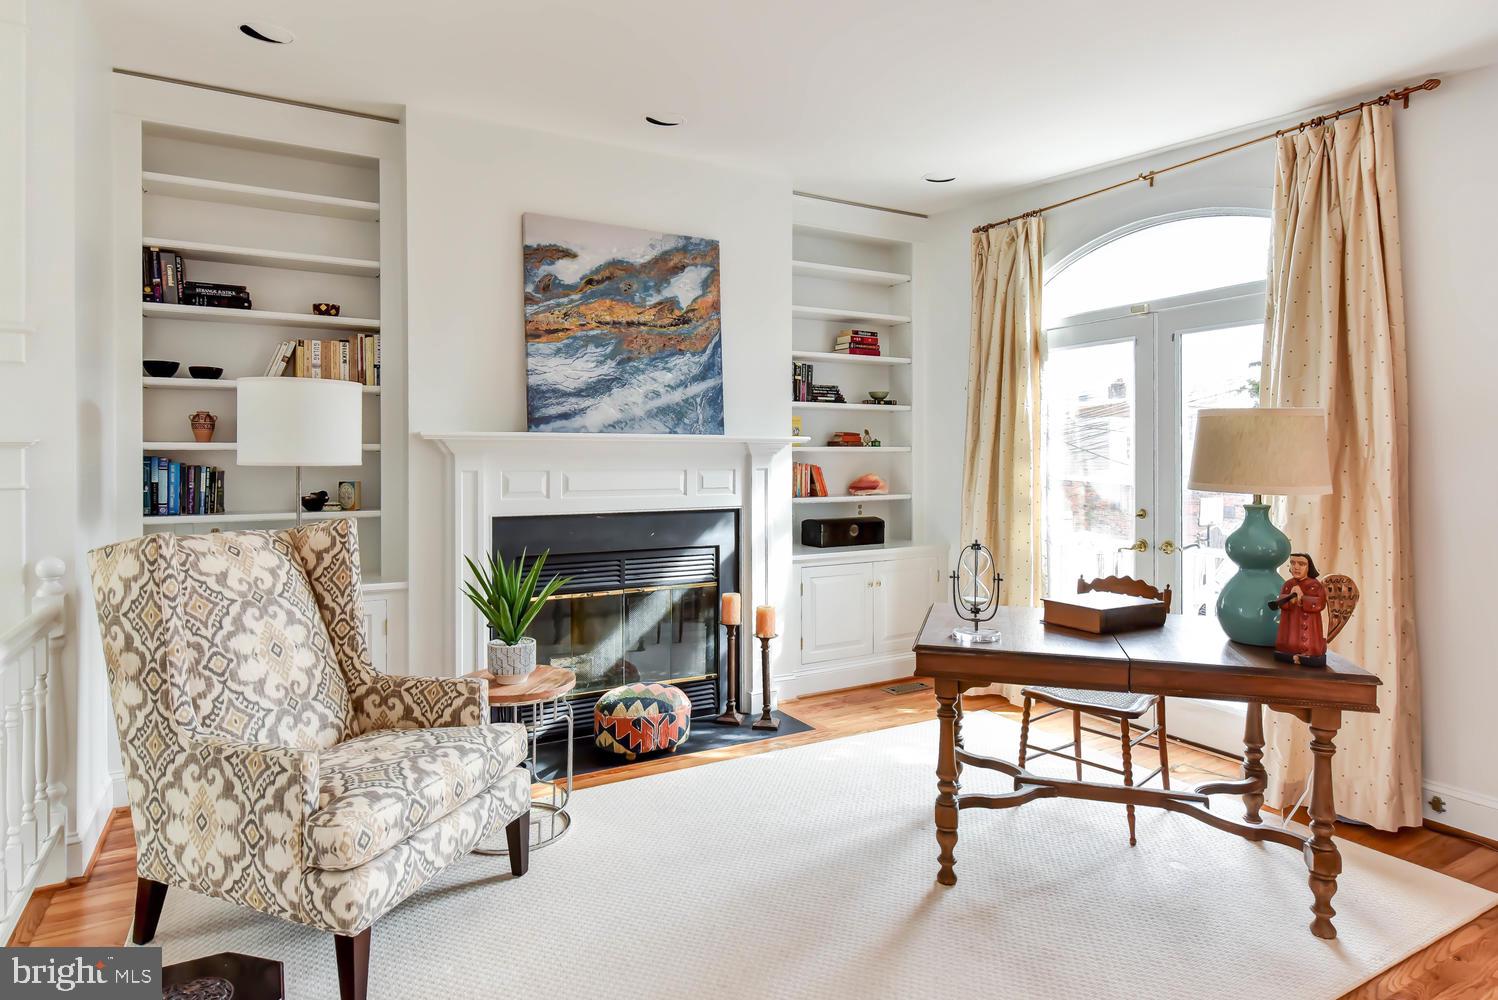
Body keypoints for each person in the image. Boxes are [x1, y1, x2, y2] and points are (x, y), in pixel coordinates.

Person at [1272, 552, 1327, 666]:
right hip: (1290, 624)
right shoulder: (1288, 584)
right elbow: (1281, 601)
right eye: (1293, 563)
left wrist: (1302, 598)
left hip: (1308, 627)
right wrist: (1289, 599)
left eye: (1301, 564)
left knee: (1307, 644)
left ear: (1309, 567)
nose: (1296, 567)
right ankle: (1289, 652)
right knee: (1289, 641)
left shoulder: (1315, 585)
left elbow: (1320, 603)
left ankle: (1307, 654)